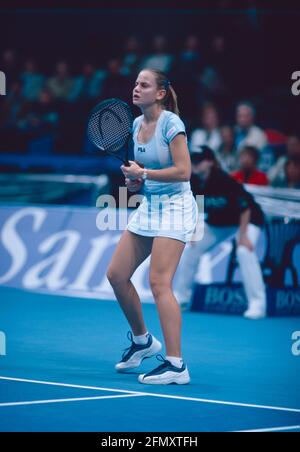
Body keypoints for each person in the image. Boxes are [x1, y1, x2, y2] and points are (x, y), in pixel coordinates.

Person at [106, 68, 198, 385]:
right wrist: (134, 181)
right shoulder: (135, 124)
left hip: (176, 207)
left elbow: (184, 171)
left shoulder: (172, 124)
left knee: (159, 283)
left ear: (159, 93)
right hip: (150, 205)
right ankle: (143, 341)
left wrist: (144, 175)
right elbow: (142, 178)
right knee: (116, 275)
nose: (136, 88)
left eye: (144, 84)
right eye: (135, 83)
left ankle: (176, 365)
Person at [174, 146, 267, 320]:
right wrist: (194, 229)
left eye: (199, 160)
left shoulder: (224, 180)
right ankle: (182, 298)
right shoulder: (193, 180)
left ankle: (258, 304)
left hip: (248, 218)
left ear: (210, 162)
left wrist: (244, 236)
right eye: (193, 159)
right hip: (220, 221)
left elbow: (245, 206)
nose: (195, 163)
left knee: (243, 251)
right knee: (192, 250)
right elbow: (195, 205)